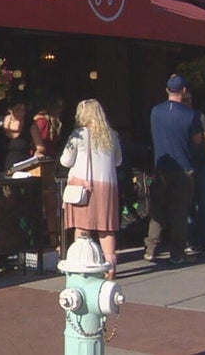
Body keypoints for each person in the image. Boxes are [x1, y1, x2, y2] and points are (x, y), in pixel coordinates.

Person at [60, 99, 123, 279]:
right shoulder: (111, 135)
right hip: (107, 187)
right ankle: (110, 269)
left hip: (84, 187)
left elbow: (65, 161)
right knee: (106, 229)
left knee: (82, 227)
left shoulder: (79, 134)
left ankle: (83, 266)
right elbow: (118, 161)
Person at [144, 75, 203, 265]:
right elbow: (197, 141)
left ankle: (151, 248)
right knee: (180, 213)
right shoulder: (191, 115)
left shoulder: (155, 112)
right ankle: (177, 253)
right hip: (183, 168)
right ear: (184, 91)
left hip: (161, 167)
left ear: (167, 90)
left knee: (158, 210)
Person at [0, 100, 46, 182]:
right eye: (17, 109)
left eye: (23, 110)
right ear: (10, 110)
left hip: (20, 171)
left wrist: (38, 152)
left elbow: (40, 147)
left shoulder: (30, 123)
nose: (21, 113)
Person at [183, 90, 205, 253]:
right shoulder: (180, 117)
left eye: (189, 99)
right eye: (184, 99)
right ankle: (192, 241)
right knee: (188, 206)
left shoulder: (198, 115)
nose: (187, 102)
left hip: (202, 164)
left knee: (204, 204)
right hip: (186, 165)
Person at [32, 96, 65, 248]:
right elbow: (40, 145)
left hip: (49, 166)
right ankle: (54, 239)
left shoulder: (48, 123)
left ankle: (55, 239)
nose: (60, 111)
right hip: (42, 167)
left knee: (51, 203)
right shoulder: (42, 123)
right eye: (58, 107)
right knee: (51, 203)